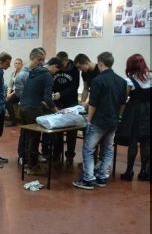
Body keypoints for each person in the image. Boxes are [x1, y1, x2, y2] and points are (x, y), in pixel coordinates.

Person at [73, 52, 127, 190]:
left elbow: (93, 104)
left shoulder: (98, 80)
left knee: (88, 150)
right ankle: (102, 177)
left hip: (99, 121)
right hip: (113, 121)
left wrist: (89, 120)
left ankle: (88, 179)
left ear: (101, 63)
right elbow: (123, 103)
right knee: (108, 149)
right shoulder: (122, 81)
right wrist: (119, 117)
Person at [19, 56, 62, 175]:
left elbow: (34, 93)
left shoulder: (34, 72)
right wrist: (56, 110)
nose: (55, 74)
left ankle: (26, 163)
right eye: (56, 71)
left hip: (22, 107)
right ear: (54, 66)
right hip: (32, 109)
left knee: (27, 136)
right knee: (34, 137)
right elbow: (47, 98)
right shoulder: (47, 76)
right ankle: (32, 167)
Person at [119, 54, 150, 182]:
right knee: (146, 142)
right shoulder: (150, 76)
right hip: (148, 111)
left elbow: (124, 99)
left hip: (135, 112)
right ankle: (144, 171)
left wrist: (120, 115)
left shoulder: (130, 81)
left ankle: (129, 171)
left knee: (133, 141)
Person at [49, 51, 80, 164]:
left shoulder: (74, 69)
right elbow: (51, 83)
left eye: (61, 64)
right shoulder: (55, 67)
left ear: (66, 61)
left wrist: (61, 94)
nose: (59, 66)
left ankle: (70, 156)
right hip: (57, 102)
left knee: (72, 131)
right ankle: (56, 153)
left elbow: (75, 86)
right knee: (57, 130)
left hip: (71, 102)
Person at [15, 48, 45, 164]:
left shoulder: (37, 72)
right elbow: (19, 94)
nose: (42, 63)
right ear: (33, 58)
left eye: (43, 60)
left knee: (35, 134)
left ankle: (33, 154)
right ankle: (23, 156)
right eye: (40, 60)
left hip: (35, 107)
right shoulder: (22, 75)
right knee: (26, 133)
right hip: (26, 108)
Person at [5, 58, 24, 126]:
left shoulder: (22, 74)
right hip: (14, 91)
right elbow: (10, 85)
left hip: (20, 92)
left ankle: (13, 121)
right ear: (14, 65)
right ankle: (3, 117)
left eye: (19, 63)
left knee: (7, 102)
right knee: (3, 99)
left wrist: (10, 95)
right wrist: (8, 94)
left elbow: (19, 87)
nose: (17, 64)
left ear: (22, 65)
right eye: (16, 63)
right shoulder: (13, 73)